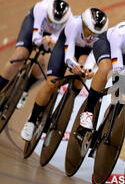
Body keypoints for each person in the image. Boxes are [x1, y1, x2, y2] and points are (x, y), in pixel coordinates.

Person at [20, 8, 109, 141]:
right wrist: (74, 66)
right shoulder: (74, 24)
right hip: (65, 45)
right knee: (52, 82)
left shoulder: (102, 35)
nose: (92, 36)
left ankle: (70, 99)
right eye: (90, 31)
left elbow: (93, 55)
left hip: (85, 51)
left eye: (96, 33)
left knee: (83, 73)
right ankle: (31, 121)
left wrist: (88, 69)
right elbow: (68, 55)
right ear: (84, 25)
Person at [0, 0, 72, 113]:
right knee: (19, 56)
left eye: (57, 23)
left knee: (45, 64)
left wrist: (49, 42)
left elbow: (56, 42)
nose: (53, 24)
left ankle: (25, 89)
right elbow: (35, 39)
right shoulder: (42, 9)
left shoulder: (69, 23)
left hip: (51, 37)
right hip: (33, 25)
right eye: (51, 20)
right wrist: (43, 41)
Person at [78, 19, 125, 131]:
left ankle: (105, 126)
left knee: (122, 95)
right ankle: (88, 111)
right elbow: (117, 69)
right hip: (107, 45)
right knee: (106, 68)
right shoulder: (118, 35)